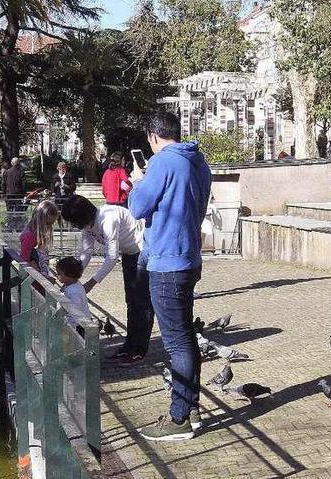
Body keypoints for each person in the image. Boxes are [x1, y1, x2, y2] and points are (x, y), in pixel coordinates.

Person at [128, 110, 211, 442]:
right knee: (187, 338)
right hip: (189, 258)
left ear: (153, 136)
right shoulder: (198, 162)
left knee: (177, 343)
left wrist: (138, 182)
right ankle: (190, 407)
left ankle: (178, 420)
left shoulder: (161, 162)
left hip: (167, 263)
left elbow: (137, 207)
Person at [60, 195, 151, 362]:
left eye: (73, 221)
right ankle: (129, 345)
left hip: (141, 251)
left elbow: (111, 257)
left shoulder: (107, 219)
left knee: (141, 302)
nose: (73, 225)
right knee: (130, 301)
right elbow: (86, 252)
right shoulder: (88, 227)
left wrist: (91, 282)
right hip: (129, 254)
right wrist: (72, 275)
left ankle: (139, 349)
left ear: (81, 216)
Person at [19, 199, 59, 279]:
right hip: (34, 282)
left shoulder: (36, 235)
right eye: (48, 223)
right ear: (40, 220)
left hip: (40, 279)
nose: (49, 227)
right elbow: (25, 263)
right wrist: (44, 278)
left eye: (51, 224)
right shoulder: (30, 237)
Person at [56, 256, 92, 328]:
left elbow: (75, 312)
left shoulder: (74, 292)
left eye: (59, 274)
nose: (57, 276)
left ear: (69, 275)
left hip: (80, 326)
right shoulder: (73, 284)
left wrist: (67, 327)